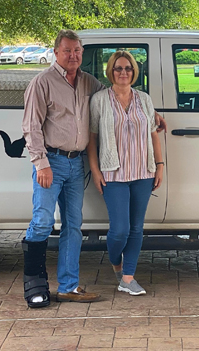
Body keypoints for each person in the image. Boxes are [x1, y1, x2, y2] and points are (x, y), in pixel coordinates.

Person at [21, 30, 166, 308]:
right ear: (56, 52)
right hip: (50, 162)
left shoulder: (89, 83)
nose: (73, 56)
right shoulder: (42, 83)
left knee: (73, 226)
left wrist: (155, 114)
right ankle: (35, 285)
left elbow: (120, 97)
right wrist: (41, 163)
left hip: (76, 164)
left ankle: (68, 287)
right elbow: (30, 127)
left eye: (77, 51)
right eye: (67, 51)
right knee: (41, 222)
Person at [86, 51, 164, 296]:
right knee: (119, 229)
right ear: (111, 71)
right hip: (113, 173)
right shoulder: (100, 100)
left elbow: (153, 132)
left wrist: (159, 165)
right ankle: (116, 264)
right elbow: (92, 138)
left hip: (143, 171)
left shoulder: (144, 99)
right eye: (118, 68)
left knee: (136, 228)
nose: (123, 72)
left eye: (128, 68)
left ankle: (128, 278)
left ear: (134, 71)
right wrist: (95, 170)